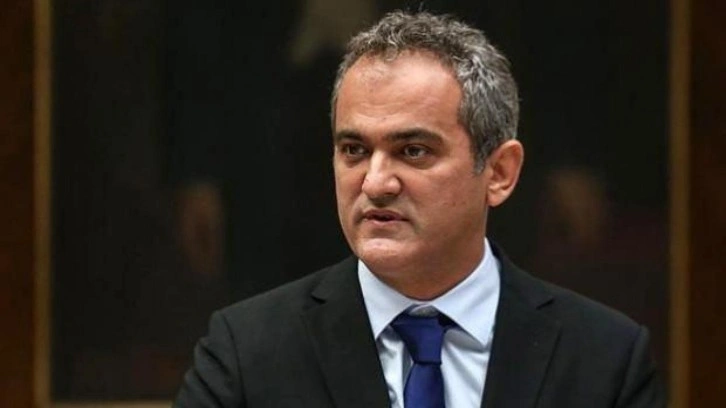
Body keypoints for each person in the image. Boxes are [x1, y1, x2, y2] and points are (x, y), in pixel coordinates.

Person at [175, 11, 665, 407]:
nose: (375, 183)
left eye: (413, 151)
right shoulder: (246, 353)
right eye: (354, 150)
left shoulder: (604, 358)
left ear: (499, 172)